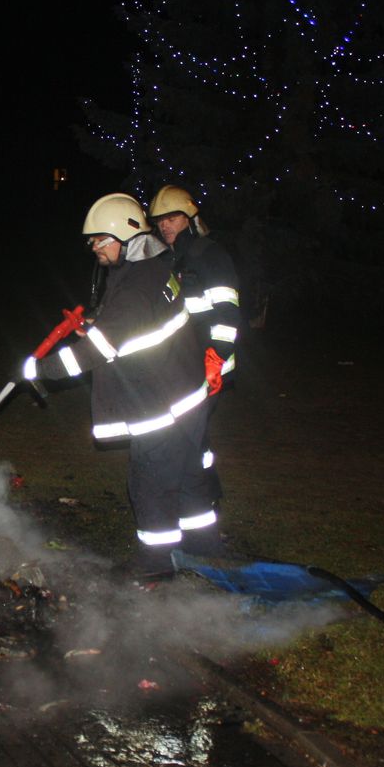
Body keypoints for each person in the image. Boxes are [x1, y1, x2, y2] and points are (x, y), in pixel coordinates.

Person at [22, 193, 214, 580]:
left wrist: (41, 370)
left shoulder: (137, 286)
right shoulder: (151, 270)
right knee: (189, 478)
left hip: (161, 406)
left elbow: (96, 351)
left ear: (124, 238)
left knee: (150, 483)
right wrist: (98, 323)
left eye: (99, 240)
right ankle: (205, 551)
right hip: (186, 395)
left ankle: (156, 566)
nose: (94, 248)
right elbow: (131, 327)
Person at [147, 185, 240, 555]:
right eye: (160, 220)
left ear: (190, 218)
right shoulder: (172, 258)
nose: (166, 226)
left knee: (190, 443)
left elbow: (228, 313)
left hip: (208, 365)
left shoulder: (209, 254)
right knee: (193, 444)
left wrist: (217, 357)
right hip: (183, 366)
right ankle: (200, 511)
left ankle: (203, 523)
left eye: (172, 218)